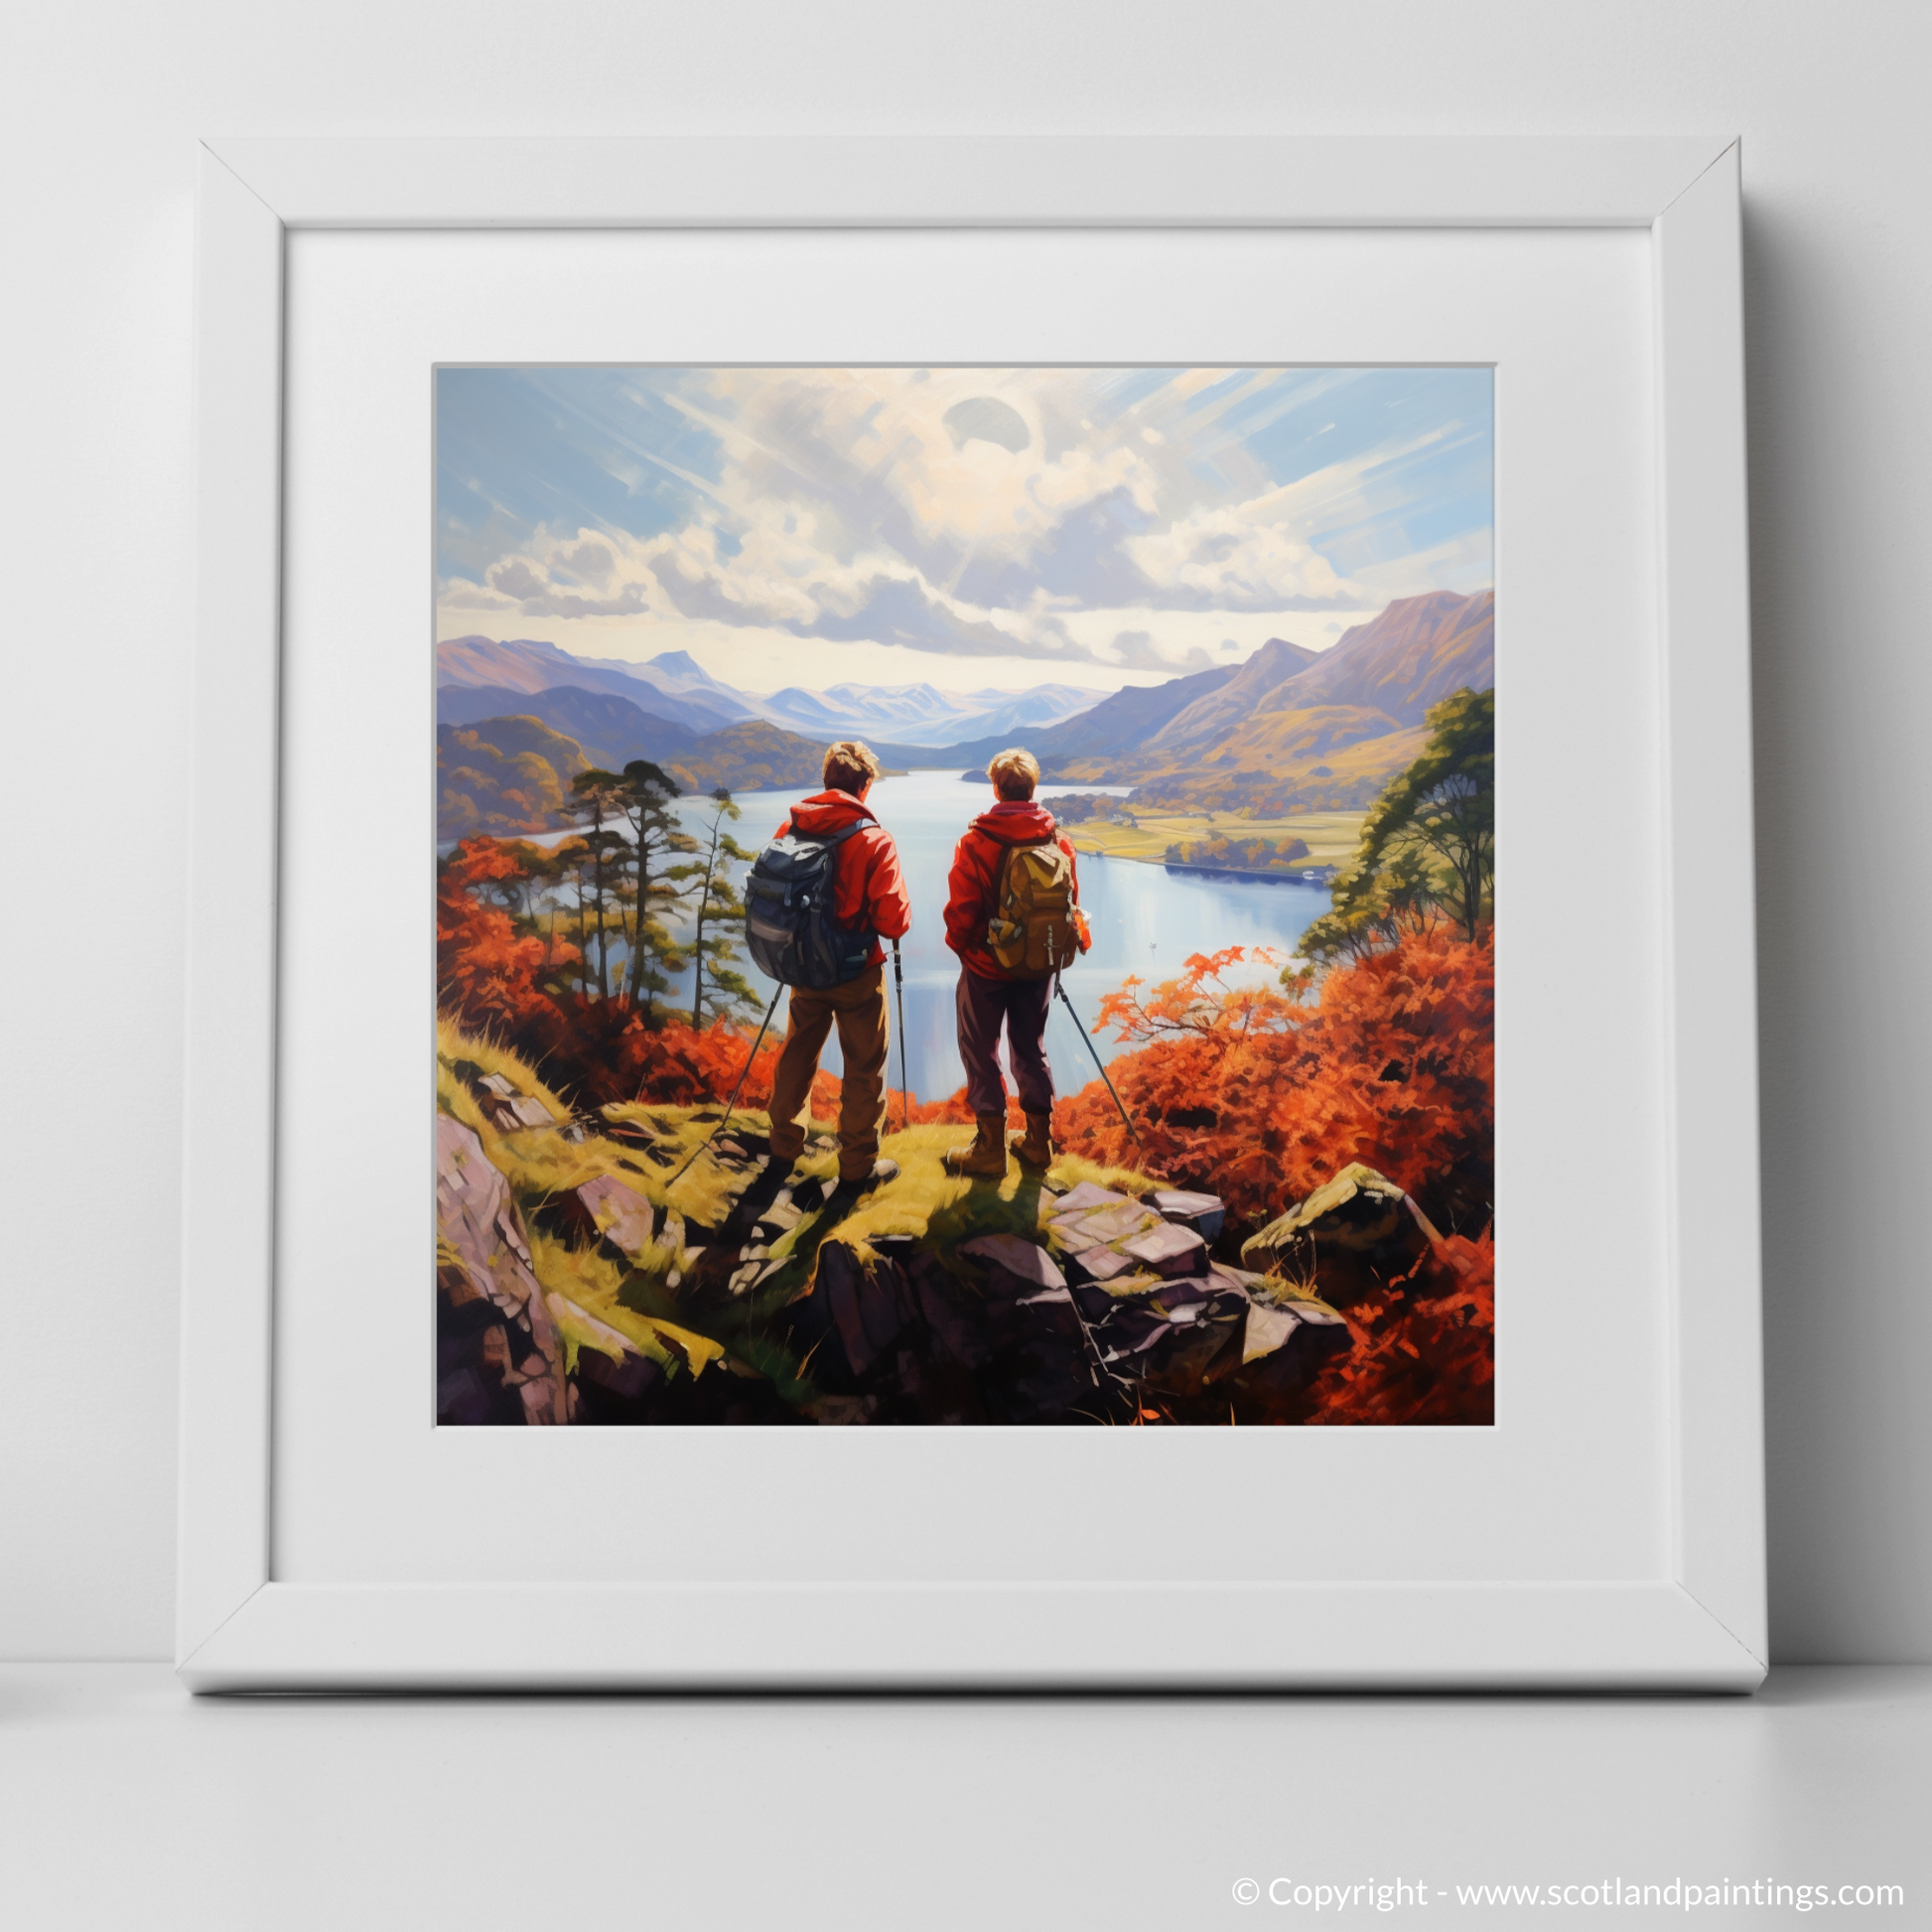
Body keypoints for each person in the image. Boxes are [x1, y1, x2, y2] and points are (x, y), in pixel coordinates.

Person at [764, 741, 911, 1192]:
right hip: (856, 971)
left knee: (798, 1052)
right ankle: (856, 1167)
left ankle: (784, 1145)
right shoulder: (873, 839)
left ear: (827, 780)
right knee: (864, 1065)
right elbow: (894, 920)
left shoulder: (790, 826)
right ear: (864, 787)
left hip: (803, 966)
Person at [941, 747, 1085, 1179]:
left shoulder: (975, 841)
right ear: (1032, 788)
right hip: (1038, 964)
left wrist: (963, 949)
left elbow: (961, 912)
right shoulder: (1058, 841)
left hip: (986, 966)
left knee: (981, 1051)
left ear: (996, 788)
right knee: (1031, 1047)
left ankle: (990, 1150)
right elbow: (1071, 903)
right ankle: (1039, 1143)